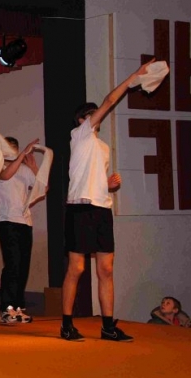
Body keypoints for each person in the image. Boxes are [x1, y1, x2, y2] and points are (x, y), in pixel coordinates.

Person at [61, 59, 155, 342]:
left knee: (106, 269)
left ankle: (107, 326)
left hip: (101, 209)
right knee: (77, 268)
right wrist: (134, 77)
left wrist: (108, 185)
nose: (98, 116)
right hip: (80, 209)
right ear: (82, 120)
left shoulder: (101, 147)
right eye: (92, 114)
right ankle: (66, 324)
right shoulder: (79, 135)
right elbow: (110, 100)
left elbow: (94, 179)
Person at [0, 136, 41, 324]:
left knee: (23, 265)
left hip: (25, 222)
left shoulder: (24, 169)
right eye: (8, 148)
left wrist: (34, 166)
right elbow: (6, 176)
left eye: (15, 149)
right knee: (12, 263)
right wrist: (22, 156)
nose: (11, 152)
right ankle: (7, 308)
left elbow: (42, 188)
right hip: (7, 221)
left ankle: (19, 307)